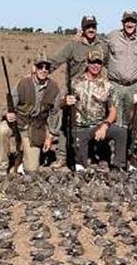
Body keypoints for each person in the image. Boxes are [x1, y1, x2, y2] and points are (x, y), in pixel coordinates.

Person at [47, 14, 109, 166]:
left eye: (93, 26)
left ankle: (96, 155)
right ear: (82, 28)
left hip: (94, 89)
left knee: (98, 119)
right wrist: (39, 71)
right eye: (88, 27)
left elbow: (109, 65)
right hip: (74, 89)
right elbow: (55, 61)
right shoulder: (73, 45)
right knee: (64, 119)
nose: (91, 29)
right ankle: (62, 157)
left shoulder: (102, 46)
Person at [62, 49, 127, 171]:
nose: (96, 66)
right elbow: (61, 103)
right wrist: (65, 102)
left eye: (99, 63)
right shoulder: (75, 82)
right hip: (80, 128)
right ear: (87, 63)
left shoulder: (108, 86)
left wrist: (105, 125)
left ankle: (118, 167)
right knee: (80, 168)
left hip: (99, 126)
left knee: (121, 132)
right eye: (93, 62)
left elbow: (113, 111)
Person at [0, 59, 60, 176]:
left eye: (46, 67)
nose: (43, 70)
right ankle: (2, 169)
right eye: (40, 67)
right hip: (18, 122)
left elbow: (55, 113)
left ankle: (21, 159)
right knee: (1, 130)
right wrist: (7, 114)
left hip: (35, 128)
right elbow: (9, 104)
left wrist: (50, 136)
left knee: (32, 170)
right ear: (34, 68)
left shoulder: (53, 88)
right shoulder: (23, 83)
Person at [105, 9, 137, 129]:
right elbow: (97, 46)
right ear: (122, 23)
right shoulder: (112, 36)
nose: (130, 24)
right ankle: (114, 140)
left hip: (133, 87)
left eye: (133, 21)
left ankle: (128, 140)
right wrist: (81, 36)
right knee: (113, 117)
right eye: (127, 21)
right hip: (115, 85)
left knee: (131, 119)